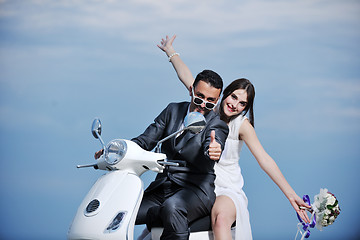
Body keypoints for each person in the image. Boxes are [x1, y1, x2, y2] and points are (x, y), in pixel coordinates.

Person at [157, 35, 311, 240]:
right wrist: (170, 51)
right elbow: (185, 75)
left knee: (220, 221)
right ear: (224, 95)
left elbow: (264, 159)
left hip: (225, 189)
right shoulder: (205, 105)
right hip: (196, 184)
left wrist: (291, 194)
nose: (235, 105)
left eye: (242, 104)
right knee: (157, 221)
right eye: (234, 97)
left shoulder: (242, 126)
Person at [95, 69, 229, 240]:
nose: (203, 105)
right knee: (118, 209)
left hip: (194, 192)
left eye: (210, 102)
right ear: (191, 90)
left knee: (172, 207)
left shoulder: (216, 124)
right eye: (199, 97)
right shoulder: (173, 110)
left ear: (217, 101)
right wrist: (115, 151)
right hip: (162, 189)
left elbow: (214, 141)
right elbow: (144, 141)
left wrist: (213, 149)